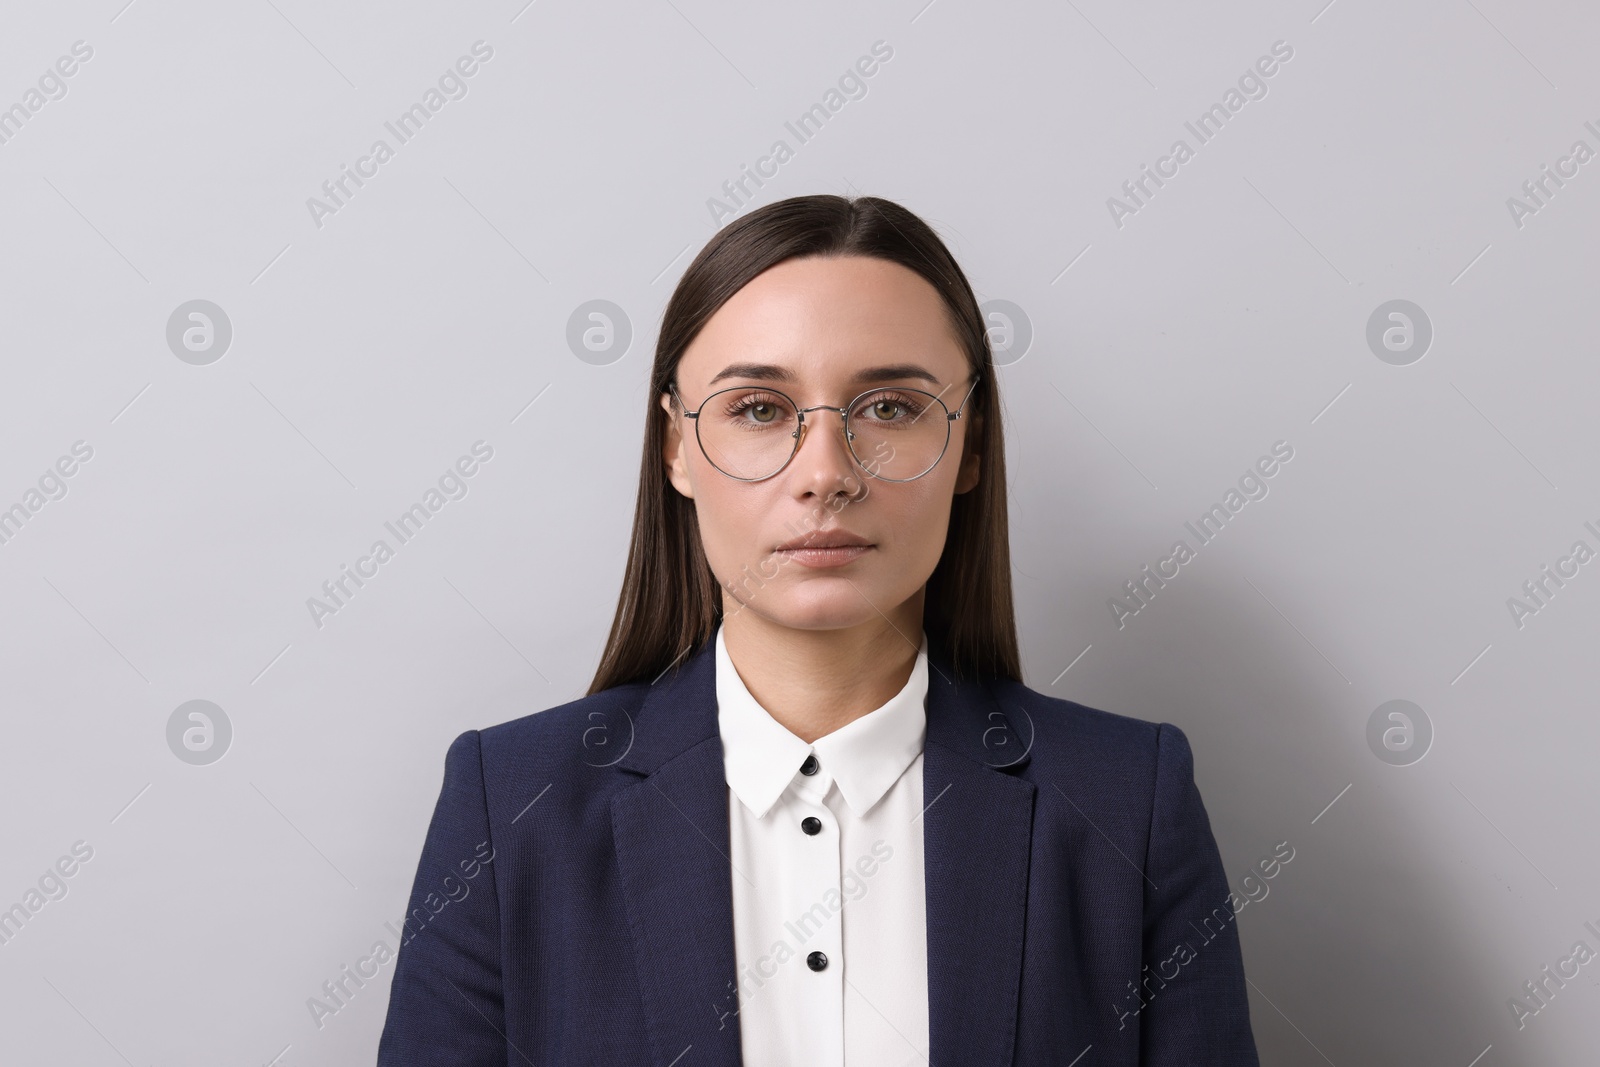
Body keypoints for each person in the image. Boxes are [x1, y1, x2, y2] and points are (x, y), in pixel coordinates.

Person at [375, 194, 1259, 1065]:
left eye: (890, 408)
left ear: (972, 446)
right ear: (676, 447)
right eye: (759, 408)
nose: (826, 474)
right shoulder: (511, 808)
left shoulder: (1127, 806)